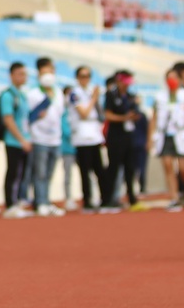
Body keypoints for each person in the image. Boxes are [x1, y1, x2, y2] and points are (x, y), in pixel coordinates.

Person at [149, 68, 184, 212]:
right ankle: (174, 198)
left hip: (182, 135)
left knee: (183, 168)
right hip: (165, 135)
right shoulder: (159, 97)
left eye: (174, 77)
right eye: (168, 78)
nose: (171, 81)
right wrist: (151, 138)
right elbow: (154, 118)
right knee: (168, 166)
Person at [103, 70, 146, 213]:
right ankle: (108, 200)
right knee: (113, 169)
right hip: (115, 138)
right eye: (125, 83)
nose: (127, 86)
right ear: (119, 81)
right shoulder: (110, 95)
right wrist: (124, 118)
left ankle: (132, 199)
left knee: (130, 169)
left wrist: (135, 115)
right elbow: (108, 115)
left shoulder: (130, 97)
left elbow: (136, 114)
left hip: (129, 137)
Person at [27, 57, 65, 217]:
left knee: (49, 173)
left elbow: (60, 113)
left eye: (51, 70)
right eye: (46, 71)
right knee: (40, 173)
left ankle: (46, 200)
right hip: (39, 138)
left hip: (55, 138)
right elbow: (28, 116)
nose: (49, 74)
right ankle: (40, 202)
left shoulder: (58, 92)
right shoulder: (33, 93)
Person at [68, 65, 106, 212]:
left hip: (95, 136)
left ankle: (104, 199)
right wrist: (93, 98)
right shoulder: (74, 93)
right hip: (82, 137)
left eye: (88, 76)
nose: (86, 79)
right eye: (83, 76)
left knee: (99, 170)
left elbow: (100, 115)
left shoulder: (90, 92)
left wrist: (96, 99)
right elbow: (83, 113)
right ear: (77, 78)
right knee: (85, 171)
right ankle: (88, 201)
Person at [0, 62, 32, 219]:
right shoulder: (8, 95)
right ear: (12, 75)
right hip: (14, 141)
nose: (23, 77)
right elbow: (8, 119)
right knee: (12, 172)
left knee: (22, 173)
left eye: (24, 74)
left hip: (24, 139)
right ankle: (10, 204)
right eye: (19, 74)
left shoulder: (22, 95)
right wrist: (21, 139)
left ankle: (18, 200)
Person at [59, 86, 77, 211]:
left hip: (80, 146)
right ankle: (68, 198)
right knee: (68, 175)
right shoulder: (63, 112)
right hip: (68, 148)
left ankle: (90, 195)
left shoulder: (76, 110)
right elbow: (66, 131)